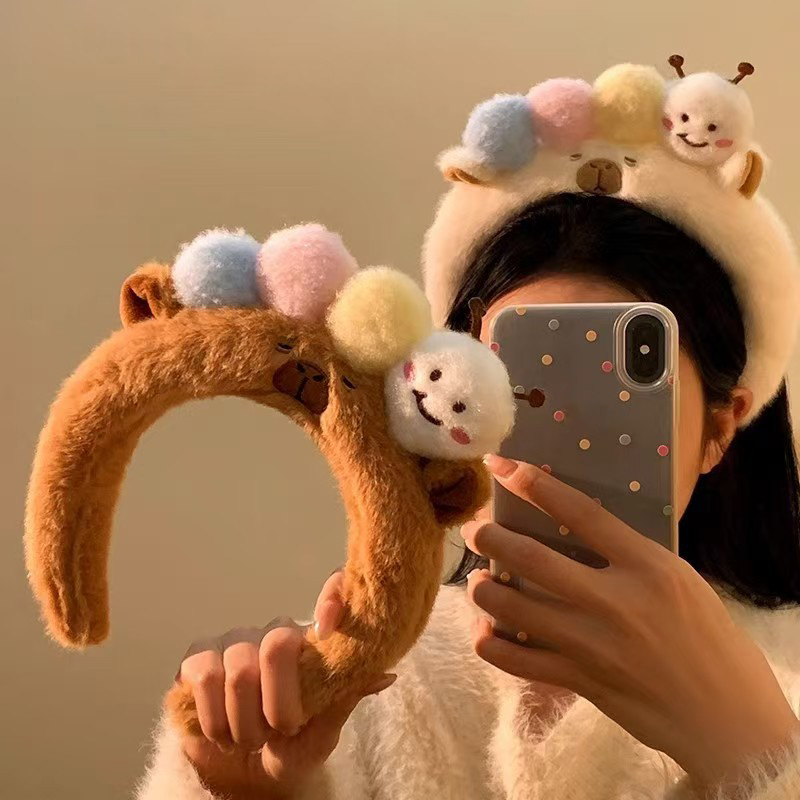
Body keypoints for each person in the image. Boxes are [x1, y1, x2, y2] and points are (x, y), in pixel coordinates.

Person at [136, 63, 800, 799]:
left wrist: (761, 752)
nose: (560, 443)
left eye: (614, 393)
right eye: (520, 388)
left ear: (720, 428)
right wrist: (254, 790)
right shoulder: (361, 682)